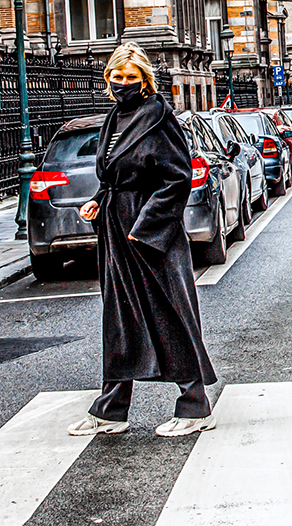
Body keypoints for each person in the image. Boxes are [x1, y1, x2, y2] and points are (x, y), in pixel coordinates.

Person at [69, 43, 218, 437]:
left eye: (130, 78)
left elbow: (177, 177)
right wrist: (98, 202)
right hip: (117, 233)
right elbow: (115, 177)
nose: (122, 84)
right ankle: (110, 410)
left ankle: (195, 405)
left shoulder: (158, 117)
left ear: (145, 80)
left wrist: (146, 225)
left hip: (151, 238)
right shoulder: (114, 117)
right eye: (116, 78)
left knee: (170, 314)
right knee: (120, 319)